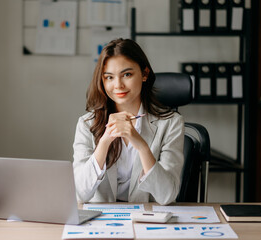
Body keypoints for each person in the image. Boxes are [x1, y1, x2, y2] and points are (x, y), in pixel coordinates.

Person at [73, 38, 184, 205]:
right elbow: (80, 194)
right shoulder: (87, 124)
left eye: (127, 75)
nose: (118, 85)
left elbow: (167, 196)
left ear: (144, 74)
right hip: (102, 223)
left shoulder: (171, 123)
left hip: (149, 219)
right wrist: (104, 141)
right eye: (109, 77)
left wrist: (141, 145)